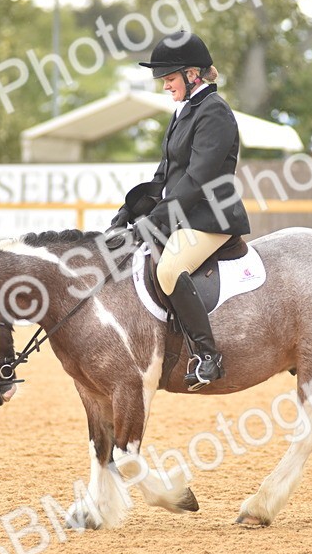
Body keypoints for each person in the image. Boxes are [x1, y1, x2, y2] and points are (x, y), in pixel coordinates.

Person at [105, 30, 250, 390]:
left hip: (210, 217)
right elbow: (165, 175)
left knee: (169, 268)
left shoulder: (214, 112)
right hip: (184, 215)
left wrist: (154, 223)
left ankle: (207, 355)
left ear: (193, 74)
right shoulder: (185, 111)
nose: (165, 86)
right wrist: (129, 212)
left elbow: (197, 180)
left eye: (169, 79)